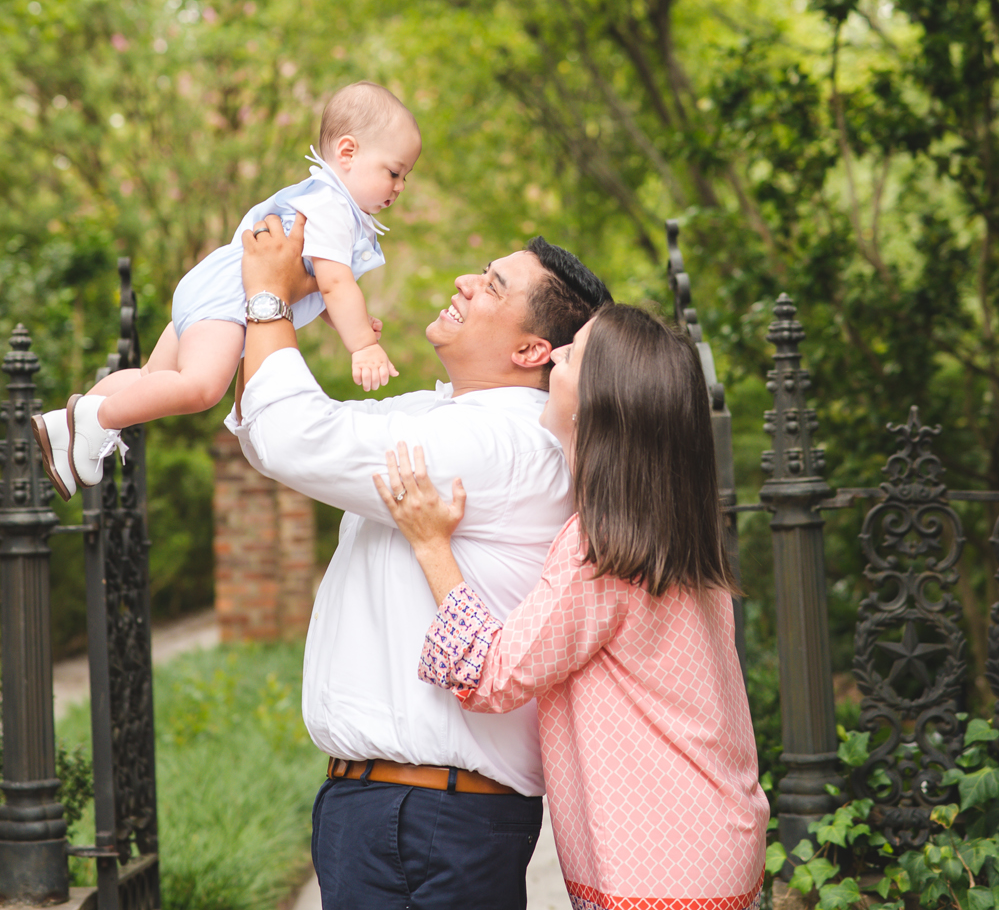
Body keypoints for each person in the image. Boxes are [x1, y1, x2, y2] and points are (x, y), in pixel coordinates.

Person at [226, 211, 612, 910]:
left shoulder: (496, 444)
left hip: (423, 817)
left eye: (493, 285)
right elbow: (273, 431)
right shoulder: (446, 417)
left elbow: (293, 438)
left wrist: (265, 295)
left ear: (531, 350)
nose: (466, 281)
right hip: (397, 808)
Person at [375, 303, 769, 910]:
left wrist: (431, 545)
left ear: (599, 402)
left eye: (573, 353)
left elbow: (492, 675)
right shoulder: (667, 530)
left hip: (659, 868)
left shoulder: (598, 550)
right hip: (707, 843)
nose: (556, 354)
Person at [33, 80, 421, 500]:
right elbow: (334, 281)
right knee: (201, 388)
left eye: (406, 176)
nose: (400, 186)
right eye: (394, 172)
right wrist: (361, 343)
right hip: (228, 300)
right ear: (348, 153)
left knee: (154, 377)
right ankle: (99, 421)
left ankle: (68, 429)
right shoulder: (333, 208)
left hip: (212, 286)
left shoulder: (322, 199)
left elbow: (314, 287)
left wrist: (343, 318)